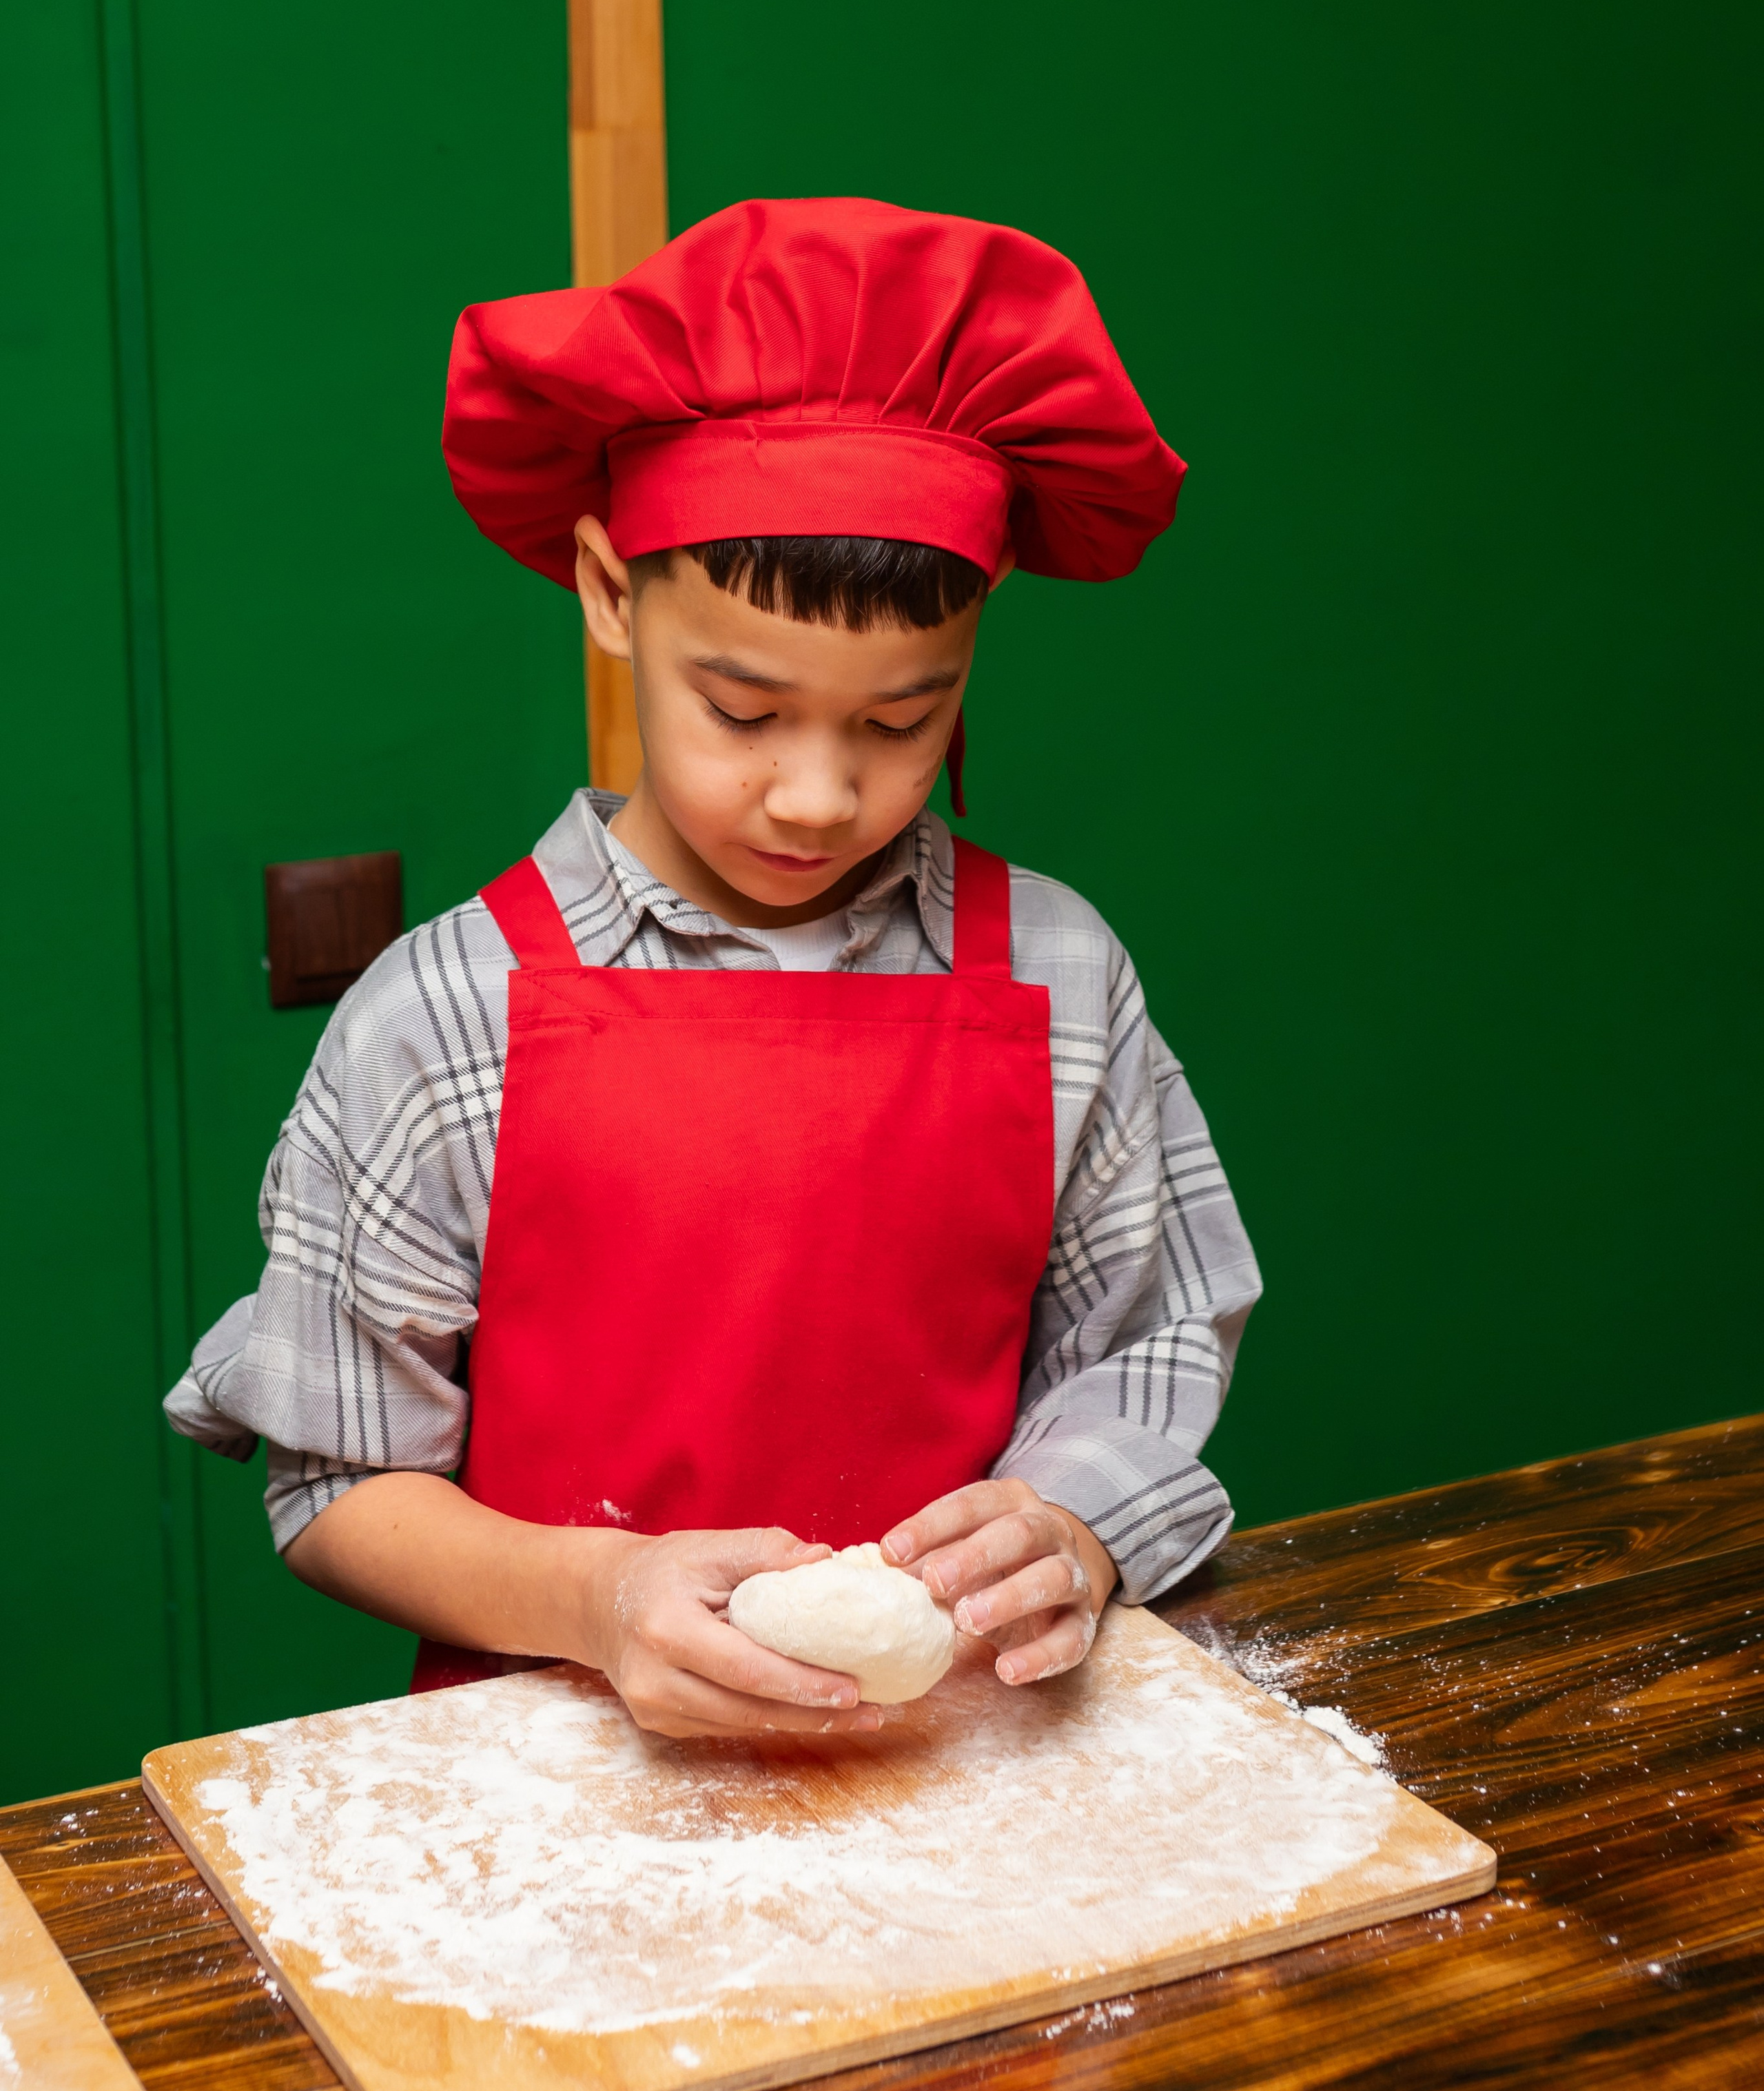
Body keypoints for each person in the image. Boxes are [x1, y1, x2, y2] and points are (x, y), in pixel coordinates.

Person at [166, 196, 1261, 1742]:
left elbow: (1144, 1344)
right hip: (564, 1797)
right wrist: (597, 1604)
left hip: (964, 1760)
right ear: (611, 595)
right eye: (742, 713)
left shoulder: (1061, 975)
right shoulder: (443, 1014)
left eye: (899, 721)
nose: (818, 794)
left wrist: (1072, 1526)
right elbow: (341, 1487)